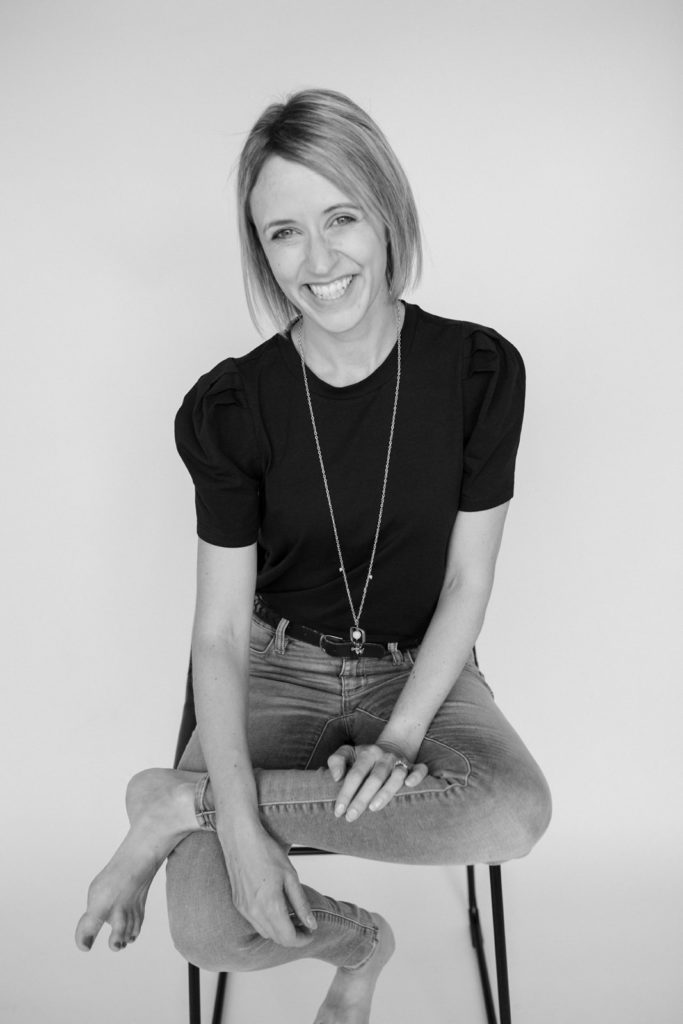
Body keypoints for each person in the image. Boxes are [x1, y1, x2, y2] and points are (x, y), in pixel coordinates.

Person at [75, 88, 551, 1024]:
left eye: (341, 218)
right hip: (273, 669)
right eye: (284, 233)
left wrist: (401, 736)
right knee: (210, 927)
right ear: (261, 250)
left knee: (511, 814)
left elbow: (468, 581)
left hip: (423, 668)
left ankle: (178, 803)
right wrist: (250, 846)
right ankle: (360, 948)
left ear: (386, 216)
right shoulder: (232, 407)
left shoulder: (480, 373)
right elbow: (215, 635)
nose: (319, 260)